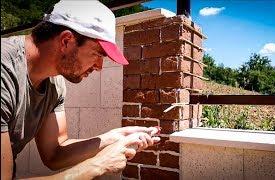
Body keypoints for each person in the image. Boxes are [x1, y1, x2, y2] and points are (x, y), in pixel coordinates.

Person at [1, 1, 160, 179]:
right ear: (66, 41)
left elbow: (54, 153)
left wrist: (114, 136)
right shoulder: (4, 71)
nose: (100, 66)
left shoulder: (55, 83)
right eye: (98, 54)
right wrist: (97, 165)